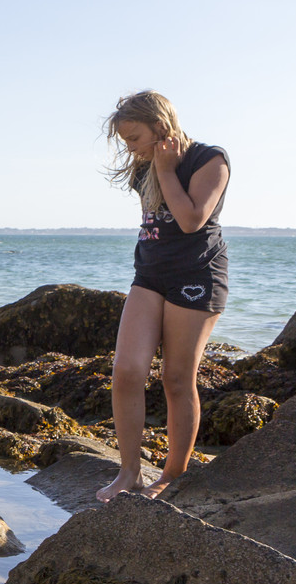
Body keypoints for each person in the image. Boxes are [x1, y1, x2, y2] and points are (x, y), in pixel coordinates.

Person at [96, 90, 230, 502]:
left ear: (160, 125)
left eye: (134, 137)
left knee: (176, 378)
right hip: (149, 275)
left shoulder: (210, 160)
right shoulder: (144, 165)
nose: (130, 148)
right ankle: (130, 472)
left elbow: (191, 221)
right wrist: (155, 164)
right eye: (125, 141)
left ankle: (172, 475)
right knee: (127, 372)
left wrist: (167, 168)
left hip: (197, 276)